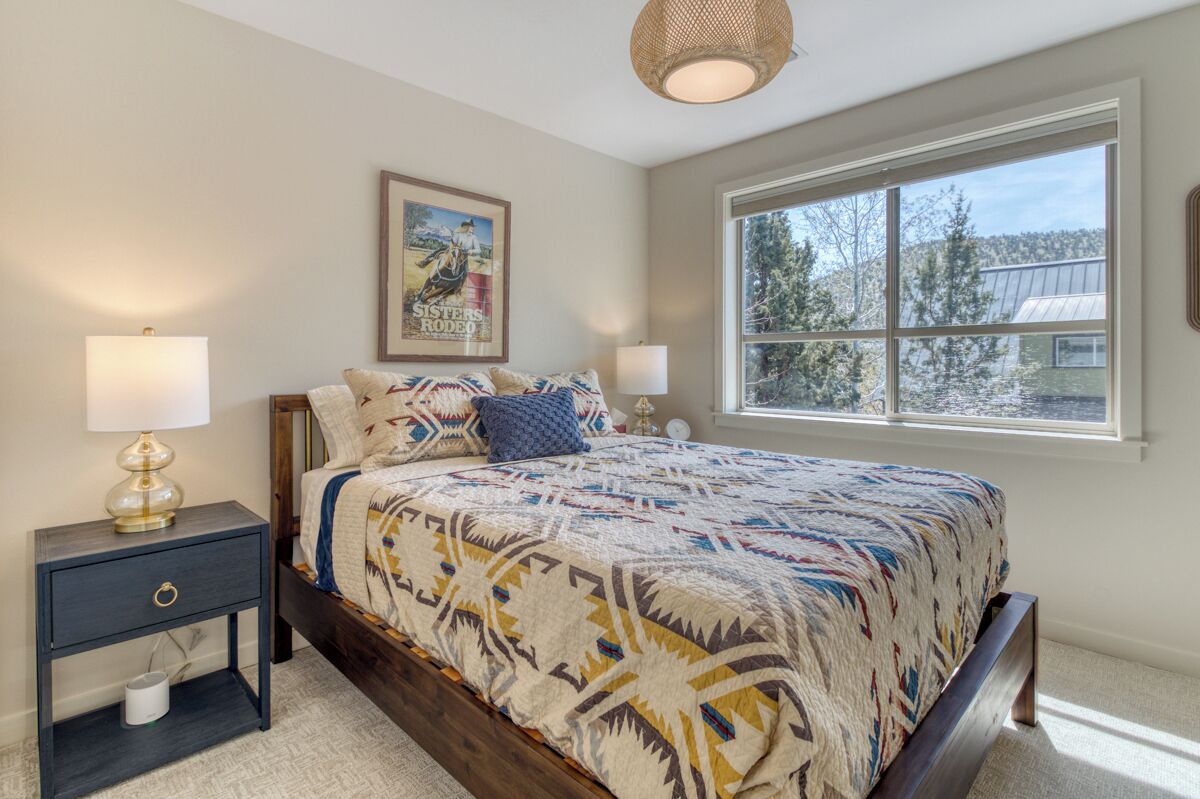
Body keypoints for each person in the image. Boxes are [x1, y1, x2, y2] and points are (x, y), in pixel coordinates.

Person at [415, 218, 480, 304]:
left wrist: (470, 251)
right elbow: (453, 242)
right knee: (439, 250)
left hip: (463, 256)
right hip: (454, 251)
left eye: (472, 227)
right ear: (465, 227)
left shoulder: (474, 238)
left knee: (465, 271)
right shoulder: (459, 234)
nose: (472, 228)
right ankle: (425, 261)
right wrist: (453, 247)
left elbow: (478, 250)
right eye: (470, 226)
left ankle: (458, 288)